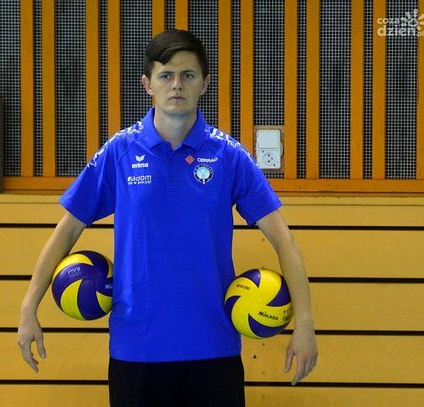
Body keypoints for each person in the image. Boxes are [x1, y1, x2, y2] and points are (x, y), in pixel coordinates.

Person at [18, 29, 318, 406]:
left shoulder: (229, 156)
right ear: (148, 84)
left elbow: (284, 240)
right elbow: (66, 232)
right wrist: (28, 308)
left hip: (213, 349)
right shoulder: (119, 152)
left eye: (188, 75)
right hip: (137, 349)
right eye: (166, 75)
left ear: (204, 84)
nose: (177, 85)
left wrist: (305, 323)